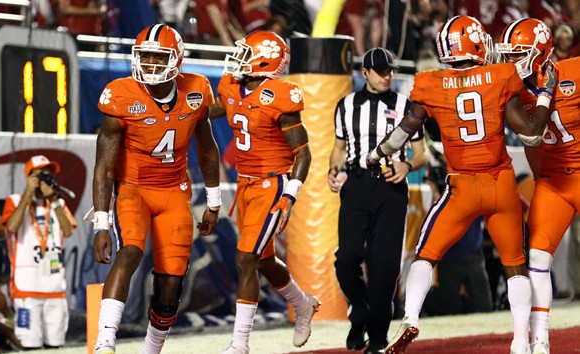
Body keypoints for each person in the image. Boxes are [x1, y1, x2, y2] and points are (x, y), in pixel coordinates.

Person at [366, 15, 555, 354]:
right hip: (500, 183)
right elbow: (532, 132)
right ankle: (521, 340)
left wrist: (377, 152)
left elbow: (406, 130)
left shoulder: (430, 83)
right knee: (515, 264)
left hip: (462, 186)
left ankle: (410, 317)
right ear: (477, 43)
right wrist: (545, 94)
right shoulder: (500, 76)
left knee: (426, 255)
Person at [90, 24, 222, 354]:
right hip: (132, 188)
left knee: (171, 282)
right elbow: (104, 166)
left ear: (176, 60)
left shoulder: (196, 90)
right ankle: (105, 341)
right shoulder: (120, 94)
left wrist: (214, 202)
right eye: (144, 56)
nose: (148, 64)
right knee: (130, 252)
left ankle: (151, 350)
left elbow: (207, 149)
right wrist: (101, 223)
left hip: (174, 191)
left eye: (156, 56)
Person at [209, 30, 319, 354]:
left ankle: (239, 343)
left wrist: (291, 194)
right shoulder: (232, 86)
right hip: (245, 185)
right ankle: (303, 304)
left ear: (265, 60)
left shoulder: (280, 96)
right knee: (266, 261)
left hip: (274, 183)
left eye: (247, 53)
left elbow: (303, 153)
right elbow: (221, 107)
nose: (239, 59)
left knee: (246, 258)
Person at [327, 47, 427, 354]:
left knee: (385, 266)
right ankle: (359, 313)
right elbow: (340, 147)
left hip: (390, 188)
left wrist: (407, 165)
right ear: (365, 72)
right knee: (347, 258)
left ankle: (378, 336)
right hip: (356, 185)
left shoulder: (405, 105)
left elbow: (422, 153)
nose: (387, 76)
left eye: (390, 71)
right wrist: (333, 169)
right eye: (381, 71)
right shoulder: (345, 105)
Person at [498, 17, 580, 354]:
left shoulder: (573, 72)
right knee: (537, 256)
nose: (511, 62)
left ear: (539, 53)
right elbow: (532, 143)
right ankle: (540, 337)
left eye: (518, 54)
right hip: (555, 181)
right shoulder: (510, 91)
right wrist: (542, 179)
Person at [2, 155, 77, 350]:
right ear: (29, 177)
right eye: (40, 175)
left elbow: (68, 230)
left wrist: (54, 200)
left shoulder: (57, 204)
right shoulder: (15, 200)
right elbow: (11, 227)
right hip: (26, 288)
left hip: (54, 287)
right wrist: (28, 194)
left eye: (48, 175)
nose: (45, 179)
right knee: (30, 345)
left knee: (56, 345)